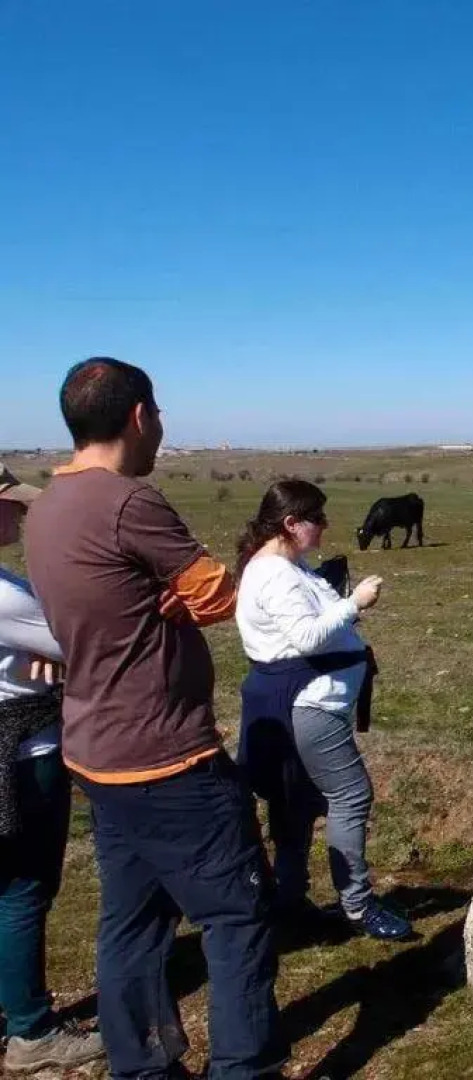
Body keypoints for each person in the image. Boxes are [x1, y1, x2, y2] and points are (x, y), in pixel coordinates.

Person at [23, 358, 286, 1080]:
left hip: (94, 748)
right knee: (237, 916)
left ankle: (140, 1066)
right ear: (139, 416)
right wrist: (178, 596)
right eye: (160, 414)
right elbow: (218, 595)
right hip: (167, 755)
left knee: (132, 921)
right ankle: (245, 1068)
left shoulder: (45, 508)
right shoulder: (128, 503)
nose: (163, 430)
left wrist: (155, 598)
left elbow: (107, 602)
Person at [234, 480, 411, 941]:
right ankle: (357, 905)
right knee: (351, 795)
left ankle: (289, 901)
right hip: (311, 705)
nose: (325, 525)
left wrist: (342, 604)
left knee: (297, 805)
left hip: (306, 701)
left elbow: (318, 615)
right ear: (291, 523)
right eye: (318, 518)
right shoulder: (274, 573)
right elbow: (307, 637)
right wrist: (354, 604)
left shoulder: (291, 566)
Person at [0, 466, 106, 1074]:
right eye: (10, 507)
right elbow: (93, 638)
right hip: (23, 757)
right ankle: (32, 1033)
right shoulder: (7, 594)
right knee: (23, 892)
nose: (19, 517)